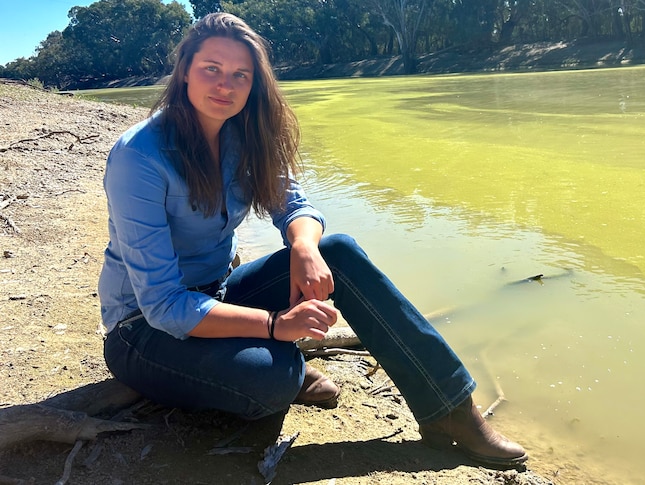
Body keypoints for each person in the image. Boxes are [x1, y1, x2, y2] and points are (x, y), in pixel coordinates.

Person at [98, 12, 527, 468]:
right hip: (141, 331)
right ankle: (281, 365)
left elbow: (295, 206)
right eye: (212, 69)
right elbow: (163, 305)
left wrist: (303, 246)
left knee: (336, 251)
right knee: (272, 381)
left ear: (253, 84)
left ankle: (450, 411)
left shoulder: (245, 136)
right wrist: (274, 327)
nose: (225, 84)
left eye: (240, 75)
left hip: (218, 292)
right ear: (185, 70)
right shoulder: (139, 157)